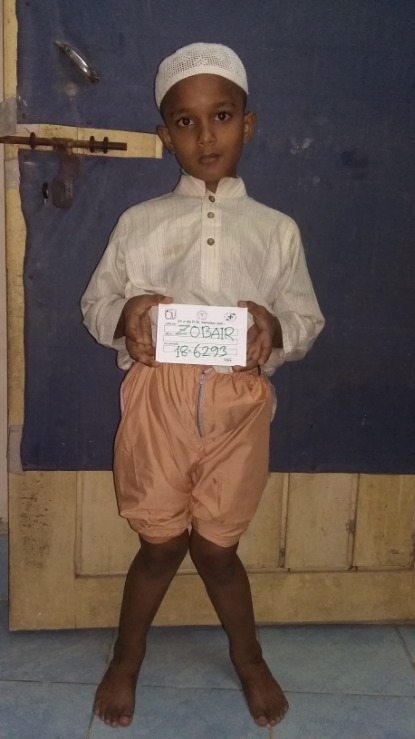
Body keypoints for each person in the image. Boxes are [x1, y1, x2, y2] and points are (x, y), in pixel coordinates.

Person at [81, 41, 324, 730]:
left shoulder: (276, 231)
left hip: (238, 409)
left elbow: (306, 318)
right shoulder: (140, 224)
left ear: (247, 124)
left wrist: (273, 328)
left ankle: (248, 657)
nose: (205, 135)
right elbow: (95, 306)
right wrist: (127, 317)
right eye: (185, 122)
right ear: (166, 136)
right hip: (156, 402)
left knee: (217, 548)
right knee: (159, 543)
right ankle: (127, 656)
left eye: (221, 115)